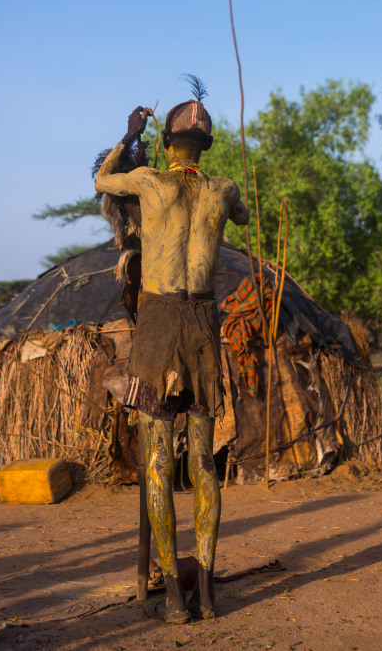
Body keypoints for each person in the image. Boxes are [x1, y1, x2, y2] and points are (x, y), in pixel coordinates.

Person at [95, 92, 249, 623]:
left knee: (158, 465)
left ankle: (176, 601)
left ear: (167, 144)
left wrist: (129, 134)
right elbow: (245, 217)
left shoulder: (148, 181)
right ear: (205, 145)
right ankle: (206, 592)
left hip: (159, 327)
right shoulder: (223, 189)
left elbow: (101, 183)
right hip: (204, 326)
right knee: (203, 465)